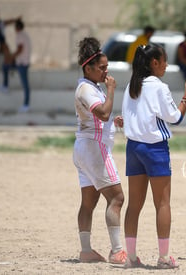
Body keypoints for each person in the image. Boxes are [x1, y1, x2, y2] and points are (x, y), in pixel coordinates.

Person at [120, 43, 186, 269]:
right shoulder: (159, 87)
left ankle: (131, 258)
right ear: (154, 62)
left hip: (133, 148)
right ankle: (163, 258)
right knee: (162, 203)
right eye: (164, 60)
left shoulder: (131, 86)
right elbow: (175, 118)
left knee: (134, 205)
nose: (165, 65)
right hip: (155, 149)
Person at [72, 37, 127, 264]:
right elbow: (102, 113)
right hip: (94, 148)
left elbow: (101, 118)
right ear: (88, 67)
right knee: (117, 197)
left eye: (107, 67)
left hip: (85, 148)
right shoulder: (86, 88)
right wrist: (111, 90)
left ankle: (86, 251)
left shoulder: (89, 87)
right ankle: (117, 251)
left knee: (89, 202)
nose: (106, 72)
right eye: (102, 68)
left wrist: (113, 123)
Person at [1, 19, 31, 112]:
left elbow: (20, 49)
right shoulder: (25, 35)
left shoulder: (19, 35)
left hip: (21, 63)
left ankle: (26, 104)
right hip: (23, 62)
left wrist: (11, 57)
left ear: (16, 27)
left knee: (25, 84)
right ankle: (5, 86)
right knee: (5, 66)